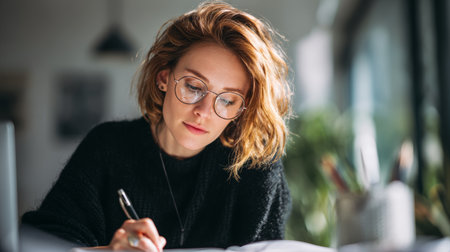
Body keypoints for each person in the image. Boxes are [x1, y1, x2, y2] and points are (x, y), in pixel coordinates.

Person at [22, 1, 292, 251]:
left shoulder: (256, 166)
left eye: (228, 100)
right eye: (193, 86)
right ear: (164, 78)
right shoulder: (107, 148)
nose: (203, 112)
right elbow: (38, 243)